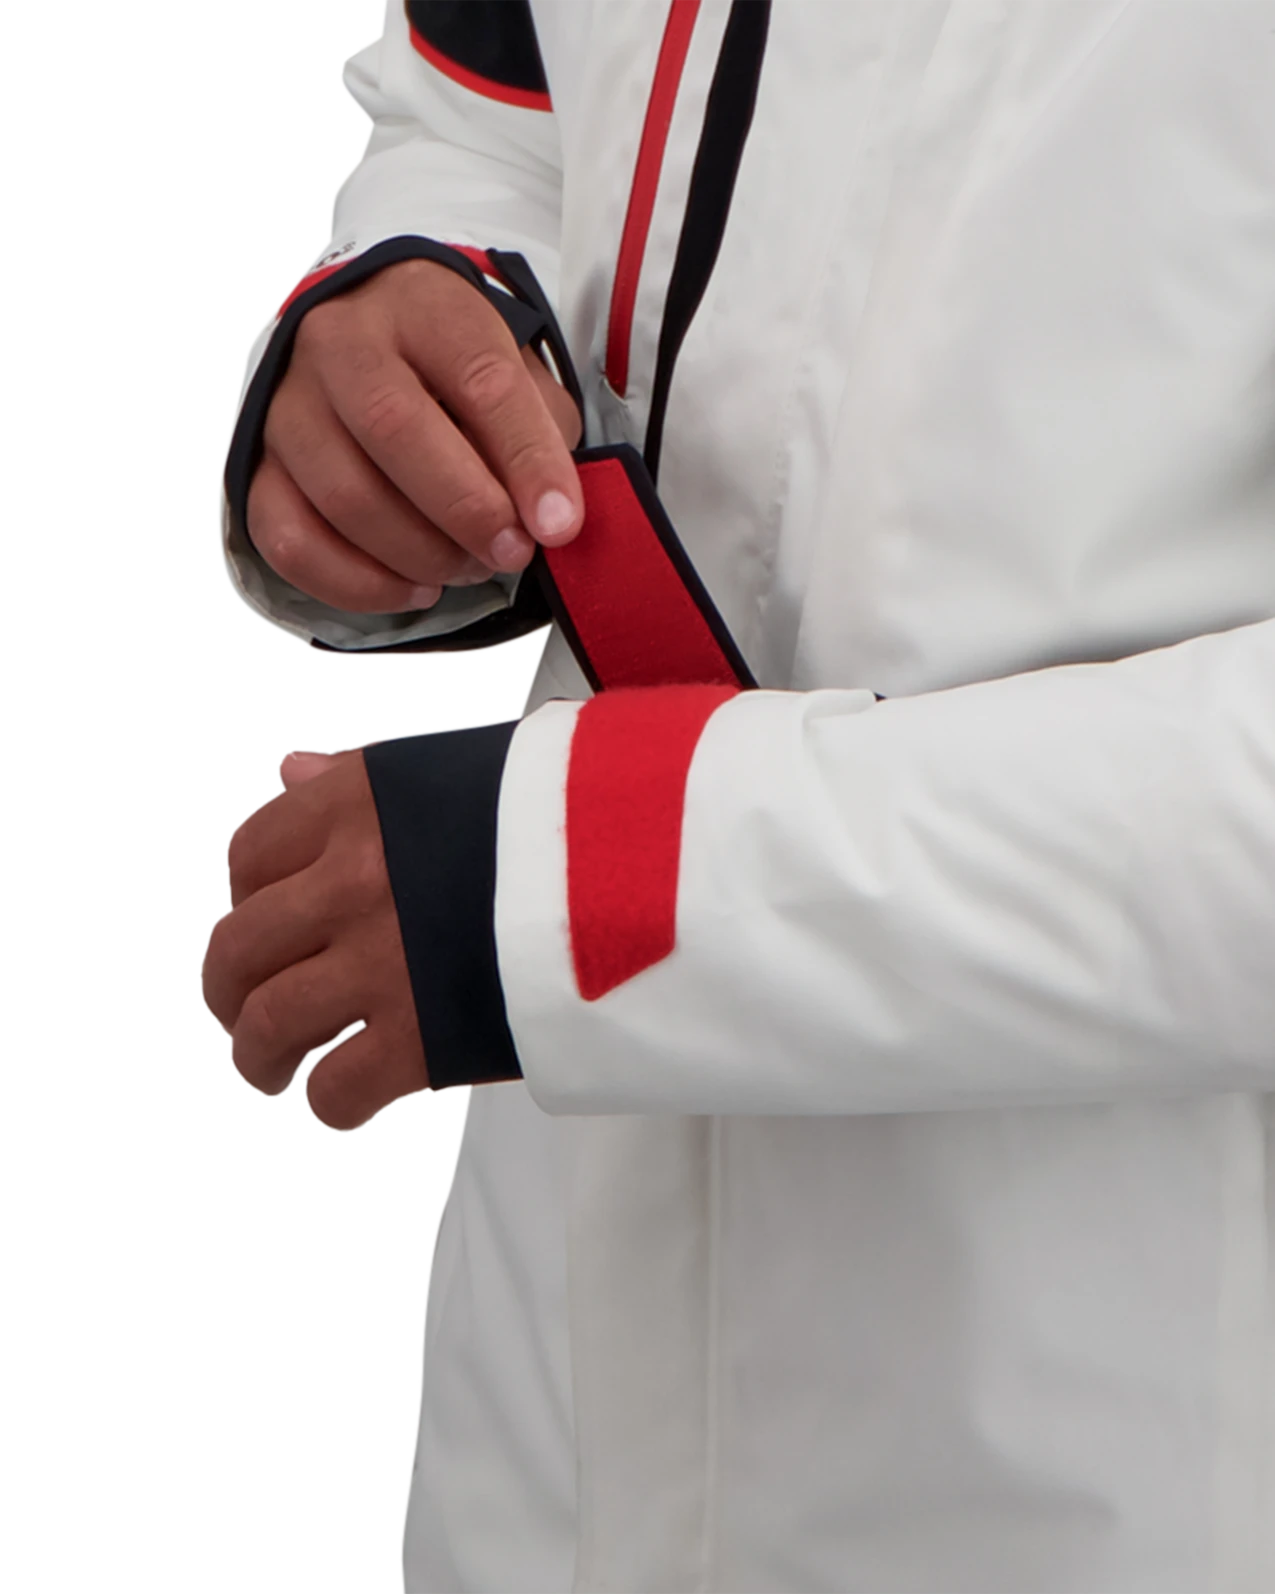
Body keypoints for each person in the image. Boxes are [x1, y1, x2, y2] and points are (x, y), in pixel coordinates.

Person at [206, 3, 1275, 1590]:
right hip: (551, 1417)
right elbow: (496, 110)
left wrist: (593, 879)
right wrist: (417, 312)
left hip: (1129, 1472)